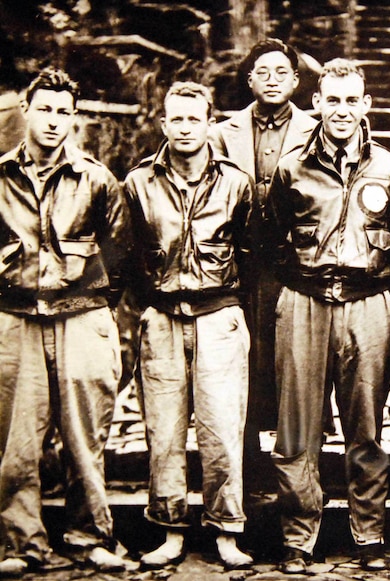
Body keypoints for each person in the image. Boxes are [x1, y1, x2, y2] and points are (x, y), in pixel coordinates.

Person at [265, 58, 390, 574]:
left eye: (352, 100)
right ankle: (299, 536)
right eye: (333, 100)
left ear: (366, 105)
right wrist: (304, 280)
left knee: (365, 427)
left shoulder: (389, 168)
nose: (342, 110)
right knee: (297, 429)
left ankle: (367, 532)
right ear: (317, 104)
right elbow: (270, 241)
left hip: (367, 302)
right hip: (304, 300)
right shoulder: (291, 168)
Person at [0, 68, 131, 575]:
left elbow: (120, 255)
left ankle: (89, 536)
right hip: (15, 319)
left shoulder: (97, 178)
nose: (54, 121)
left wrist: (97, 312)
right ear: (25, 111)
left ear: (73, 119)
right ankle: (19, 543)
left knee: (85, 434)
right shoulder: (2, 177)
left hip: (82, 318)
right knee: (17, 439)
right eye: (45, 109)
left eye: (63, 112)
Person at [124, 82, 254, 570]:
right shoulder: (138, 183)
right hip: (161, 318)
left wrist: (233, 311)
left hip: (218, 317)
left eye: (194, 119)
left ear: (208, 122)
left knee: (221, 428)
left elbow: (251, 253)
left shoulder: (234, 183)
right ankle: (170, 529)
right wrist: (149, 307)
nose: (184, 128)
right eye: (175, 119)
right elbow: (128, 255)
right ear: (163, 125)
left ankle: (226, 531)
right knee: (164, 429)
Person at [209, 38, 316, 486]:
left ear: (295, 81)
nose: (272, 80)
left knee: (293, 365)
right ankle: (248, 473)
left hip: (293, 267)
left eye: (281, 72)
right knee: (242, 365)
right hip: (238, 267)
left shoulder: (316, 129)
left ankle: (299, 472)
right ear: (249, 80)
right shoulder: (222, 133)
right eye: (262, 72)